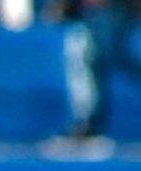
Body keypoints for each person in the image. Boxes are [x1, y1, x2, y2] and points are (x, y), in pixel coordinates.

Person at [50, 0, 141, 138]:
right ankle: (87, 121)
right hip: (97, 11)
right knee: (90, 57)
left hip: (115, 8)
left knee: (105, 57)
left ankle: (88, 121)